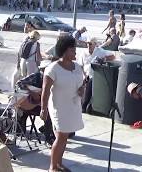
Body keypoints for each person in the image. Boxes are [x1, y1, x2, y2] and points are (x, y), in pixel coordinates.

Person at [40, 36, 84, 172]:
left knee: (65, 137)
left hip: (73, 106)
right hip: (58, 107)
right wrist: (43, 109)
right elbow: (45, 91)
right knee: (60, 137)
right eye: (72, 50)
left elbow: (80, 85)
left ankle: (59, 164)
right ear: (64, 51)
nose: (75, 53)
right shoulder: (52, 69)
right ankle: (52, 167)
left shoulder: (77, 67)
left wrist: (82, 90)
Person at [78, 38, 115, 113]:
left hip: (95, 76)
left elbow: (113, 56)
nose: (89, 45)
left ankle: (84, 106)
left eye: (90, 43)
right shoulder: (83, 52)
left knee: (90, 84)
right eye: (88, 43)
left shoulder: (100, 51)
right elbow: (80, 66)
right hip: (85, 74)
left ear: (95, 44)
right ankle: (82, 105)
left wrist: (103, 59)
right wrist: (83, 75)